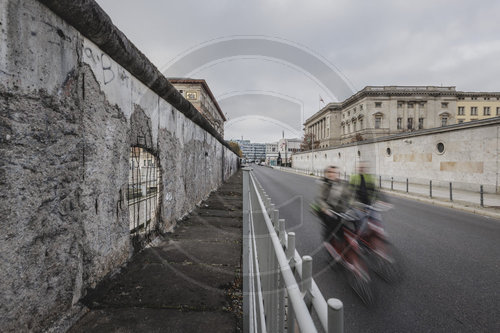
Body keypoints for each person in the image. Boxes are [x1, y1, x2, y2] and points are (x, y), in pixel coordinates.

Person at [315, 166, 351, 244]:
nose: (332, 174)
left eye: (334, 172)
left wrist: (354, 204)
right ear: (326, 174)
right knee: (332, 221)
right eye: (330, 172)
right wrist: (325, 208)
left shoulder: (342, 183)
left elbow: (349, 195)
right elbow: (319, 198)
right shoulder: (324, 184)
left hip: (340, 209)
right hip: (327, 210)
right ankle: (329, 238)